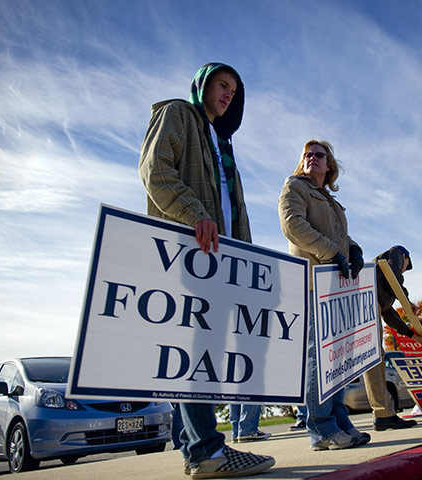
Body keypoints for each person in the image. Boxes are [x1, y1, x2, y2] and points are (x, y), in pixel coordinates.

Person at [139, 62, 274, 478]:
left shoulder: (221, 142)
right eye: (222, 84)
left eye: (234, 89)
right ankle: (207, 452)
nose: (229, 94)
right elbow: (154, 172)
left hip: (225, 261)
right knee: (194, 352)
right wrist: (194, 213)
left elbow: (234, 211)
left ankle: (200, 449)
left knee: (209, 354)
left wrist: (247, 261)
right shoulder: (177, 113)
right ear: (202, 85)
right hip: (187, 253)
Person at [278, 139, 370, 451]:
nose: (312, 158)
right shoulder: (295, 187)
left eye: (319, 155)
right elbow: (292, 225)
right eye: (307, 154)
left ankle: (341, 423)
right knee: (320, 356)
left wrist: (353, 248)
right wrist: (331, 252)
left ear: (329, 165)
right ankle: (321, 429)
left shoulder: (329, 200)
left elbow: (338, 233)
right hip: (312, 283)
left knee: (339, 358)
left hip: (339, 285)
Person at [363, 245, 422, 431]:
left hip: (368, 304)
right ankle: (383, 414)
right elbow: (395, 275)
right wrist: (406, 301)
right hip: (366, 303)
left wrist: (410, 334)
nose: (404, 271)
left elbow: (389, 314)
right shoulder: (396, 252)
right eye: (405, 267)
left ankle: (383, 413)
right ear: (405, 258)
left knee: (375, 357)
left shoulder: (382, 285)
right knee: (373, 357)